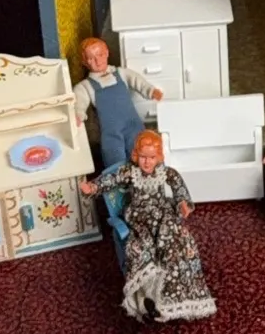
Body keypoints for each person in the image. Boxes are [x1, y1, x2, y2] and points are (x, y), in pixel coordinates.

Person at [80, 130, 215, 323]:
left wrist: (182, 203)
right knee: (141, 247)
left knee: (178, 243)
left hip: (163, 215)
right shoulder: (130, 172)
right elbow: (111, 179)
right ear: (136, 155)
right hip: (141, 216)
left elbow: (178, 185)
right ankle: (147, 298)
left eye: (152, 157)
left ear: (158, 156)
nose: (147, 162)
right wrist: (93, 187)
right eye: (143, 157)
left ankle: (175, 298)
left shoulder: (165, 172)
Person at [74, 36, 164, 169]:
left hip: (133, 125)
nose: (98, 61)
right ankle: (119, 180)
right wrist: (78, 115)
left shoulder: (121, 73)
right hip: (111, 132)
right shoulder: (85, 86)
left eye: (100, 55)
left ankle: (146, 176)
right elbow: (79, 102)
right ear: (85, 62)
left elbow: (137, 80)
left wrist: (150, 90)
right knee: (115, 160)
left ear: (107, 53)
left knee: (142, 151)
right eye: (91, 58)